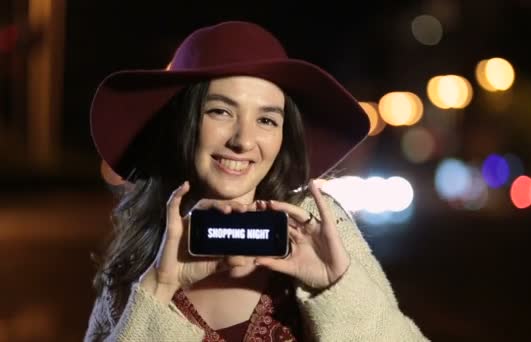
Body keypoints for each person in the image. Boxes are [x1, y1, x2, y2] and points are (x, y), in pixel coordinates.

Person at [84, 20, 429, 341]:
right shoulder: (133, 270)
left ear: (283, 136)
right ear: (182, 123)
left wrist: (338, 288)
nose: (243, 141)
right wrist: (158, 287)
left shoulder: (315, 229)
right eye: (220, 111)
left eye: (266, 120)